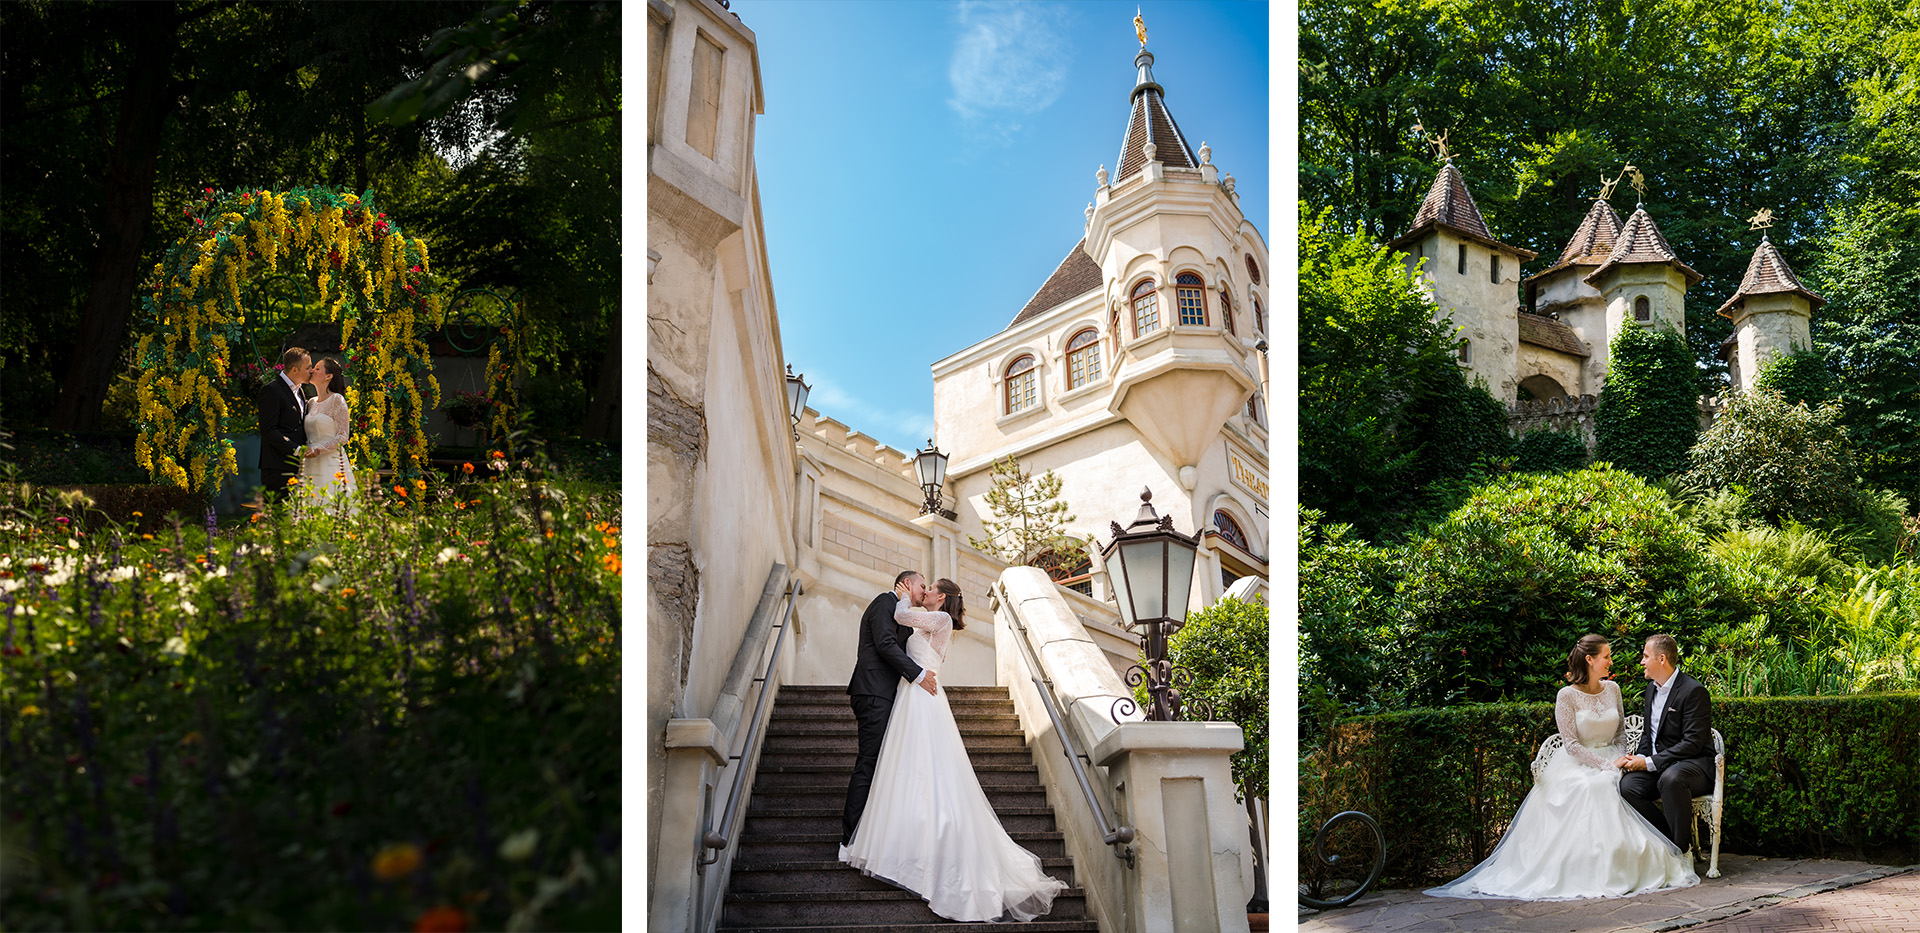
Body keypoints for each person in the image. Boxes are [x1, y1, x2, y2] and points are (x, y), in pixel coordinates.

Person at [839, 577, 1067, 922]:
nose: (923, 591)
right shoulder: (926, 619)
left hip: (922, 696)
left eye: (927, 588)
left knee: (925, 769)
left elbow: (901, 619)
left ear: (940, 597)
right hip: (911, 695)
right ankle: (900, 838)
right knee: (904, 768)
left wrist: (903, 595)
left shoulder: (939, 619)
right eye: (920, 586)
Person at [1426, 635, 1698, 900]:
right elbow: (1571, 745)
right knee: (1593, 785)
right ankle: (1587, 868)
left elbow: (1620, 736)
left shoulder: (1613, 690)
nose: (1611, 662)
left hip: (1613, 760)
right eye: (1606, 657)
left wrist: (1618, 761)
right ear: (1590, 660)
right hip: (1578, 763)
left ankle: (1652, 854)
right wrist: (1606, 766)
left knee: (1616, 784)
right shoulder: (1566, 696)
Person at [842, 571, 938, 848]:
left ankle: (872, 833)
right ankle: (849, 841)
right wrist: (918, 675)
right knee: (869, 762)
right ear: (907, 584)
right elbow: (884, 644)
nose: (923, 591)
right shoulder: (884, 602)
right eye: (921, 585)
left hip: (886, 694)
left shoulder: (901, 614)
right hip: (872, 691)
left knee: (881, 763)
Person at [1617, 634, 1717, 851]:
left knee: (1672, 779)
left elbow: (1692, 743)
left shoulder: (1694, 691)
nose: (1642, 661)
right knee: (1628, 787)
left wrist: (1649, 762)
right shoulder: (1651, 688)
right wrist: (1641, 757)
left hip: (1694, 765)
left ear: (1661, 659)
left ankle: (1680, 851)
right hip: (1660, 766)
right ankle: (1669, 843)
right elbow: (1648, 735)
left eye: (1645, 656)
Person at [297, 357, 358, 514]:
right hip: (309, 461)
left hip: (331, 462)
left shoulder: (337, 400)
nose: (312, 371)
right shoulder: (310, 402)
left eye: (317, 368)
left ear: (328, 376)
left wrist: (320, 448)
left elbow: (343, 436)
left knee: (331, 504)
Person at [257, 347, 311, 502]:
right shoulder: (271, 390)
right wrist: (297, 449)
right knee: (278, 518)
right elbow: (268, 430)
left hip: (296, 467)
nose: (311, 371)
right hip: (277, 467)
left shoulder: (299, 391)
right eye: (308, 368)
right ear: (295, 370)